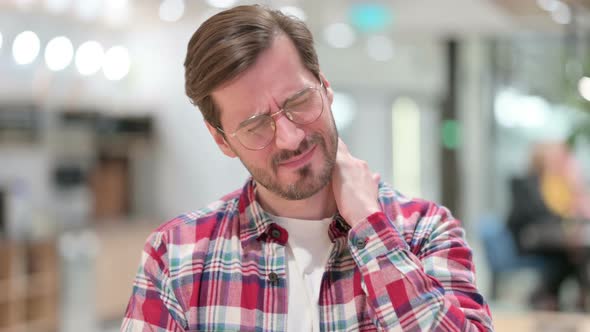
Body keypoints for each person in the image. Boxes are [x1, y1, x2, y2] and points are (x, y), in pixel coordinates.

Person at [122, 5, 493, 331]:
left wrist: (370, 226)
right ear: (221, 139)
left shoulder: (424, 231)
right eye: (254, 126)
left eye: (298, 101)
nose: (289, 137)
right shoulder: (177, 255)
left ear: (325, 87)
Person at [507, 142, 590, 311]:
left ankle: (550, 296)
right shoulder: (525, 183)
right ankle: (570, 296)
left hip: (558, 241)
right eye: (555, 157)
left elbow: (578, 212)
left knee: (575, 254)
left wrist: (575, 184)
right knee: (572, 255)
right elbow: (535, 214)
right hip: (530, 238)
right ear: (542, 158)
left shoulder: (562, 183)